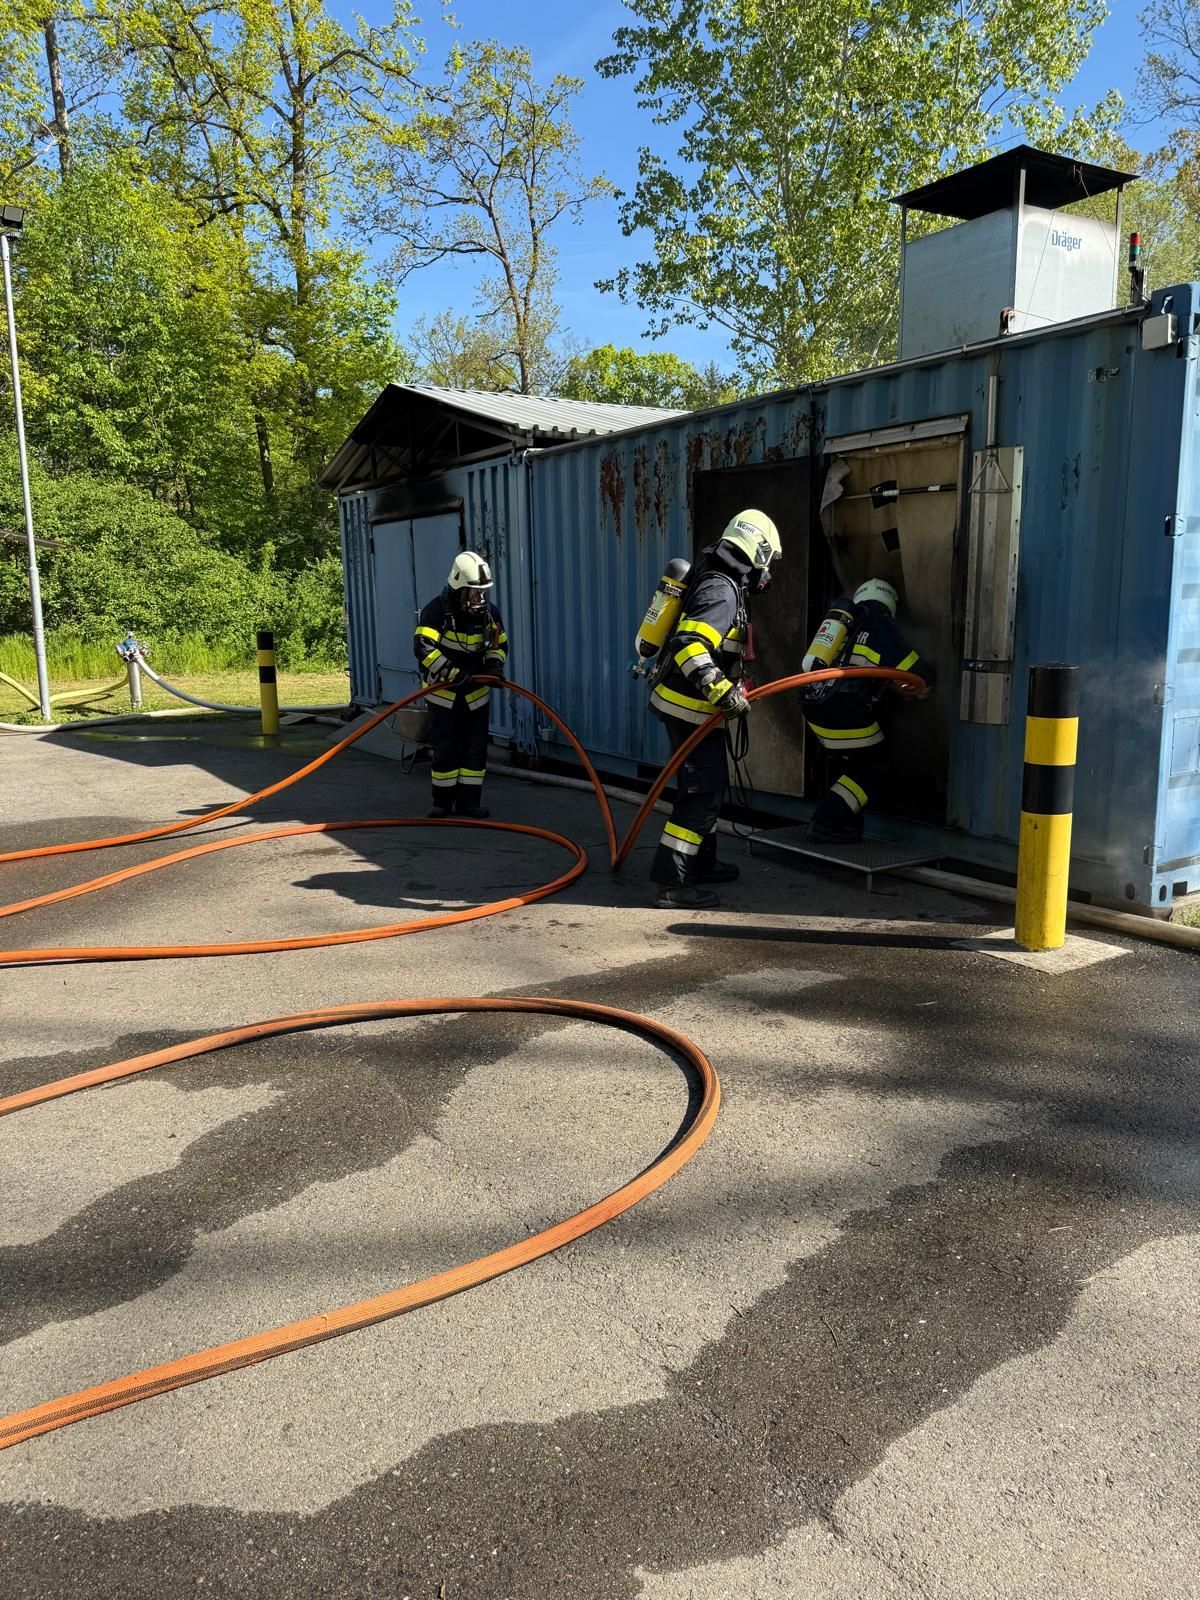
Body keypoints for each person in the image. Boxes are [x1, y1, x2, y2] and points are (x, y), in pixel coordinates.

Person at [649, 509, 782, 909]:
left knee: (707, 788)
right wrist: (723, 691)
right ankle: (674, 881)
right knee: (700, 792)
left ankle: (701, 863)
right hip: (688, 710)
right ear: (756, 551)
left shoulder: (720, 583)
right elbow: (688, 645)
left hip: (690, 709)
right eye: (768, 561)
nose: (768, 572)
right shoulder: (722, 591)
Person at [800, 578, 932, 842]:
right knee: (874, 767)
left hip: (815, 706)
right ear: (890, 605)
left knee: (857, 761)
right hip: (844, 709)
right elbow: (915, 670)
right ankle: (826, 823)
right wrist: (927, 686)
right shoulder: (880, 626)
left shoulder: (844, 627)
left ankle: (846, 824)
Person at [413, 551, 508, 818]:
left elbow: (498, 644)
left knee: (475, 750)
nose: (479, 599)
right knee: (446, 749)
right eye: (473, 592)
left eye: (482, 592)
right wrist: (451, 672)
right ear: (458, 586)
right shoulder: (436, 613)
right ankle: (442, 803)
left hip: (476, 694)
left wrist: (494, 666)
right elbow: (423, 648)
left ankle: (470, 803)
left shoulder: (489, 614)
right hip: (443, 695)